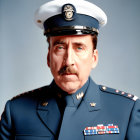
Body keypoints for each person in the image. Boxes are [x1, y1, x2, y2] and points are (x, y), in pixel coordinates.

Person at [0, 0, 140, 139]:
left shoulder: (126, 111)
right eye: (60, 48)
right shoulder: (16, 111)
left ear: (94, 58)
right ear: (49, 58)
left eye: (79, 48)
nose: (69, 61)